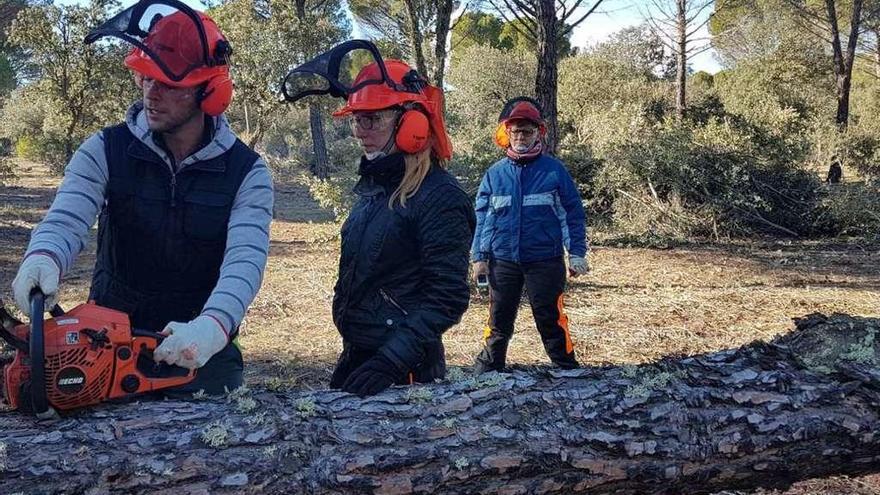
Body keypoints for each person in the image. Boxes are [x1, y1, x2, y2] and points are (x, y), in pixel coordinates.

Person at [10, 4, 273, 395]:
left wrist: (215, 324)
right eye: (146, 78)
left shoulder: (248, 172)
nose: (152, 93)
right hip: (107, 348)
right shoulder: (105, 148)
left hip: (198, 352)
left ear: (210, 92)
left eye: (168, 84)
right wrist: (43, 256)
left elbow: (245, 259)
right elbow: (66, 218)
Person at [327, 58, 475, 397]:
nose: (359, 131)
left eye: (371, 119)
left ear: (412, 122)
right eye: (356, 120)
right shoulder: (378, 186)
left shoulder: (439, 196)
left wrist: (391, 361)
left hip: (408, 370)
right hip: (359, 358)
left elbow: (448, 296)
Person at [470, 96, 588, 374]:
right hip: (503, 260)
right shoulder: (494, 174)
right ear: (506, 134)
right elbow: (484, 217)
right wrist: (479, 257)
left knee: (550, 317)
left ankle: (567, 369)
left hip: (545, 260)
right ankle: (488, 370)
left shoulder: (554, 171)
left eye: (527, 131)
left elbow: (572, 214)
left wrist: (577, 253)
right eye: (516, 131)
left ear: (539, 134)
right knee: (499, 319)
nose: (521, 136)